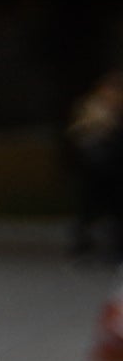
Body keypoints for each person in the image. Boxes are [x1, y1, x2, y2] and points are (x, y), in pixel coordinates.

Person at [72, 75, 123, 265]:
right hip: (96, 169)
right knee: (92, 208)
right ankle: (87, 245)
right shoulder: (93, 109)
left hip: (113, 170)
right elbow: (81, 133)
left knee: (112, 210)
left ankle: (110, 246)